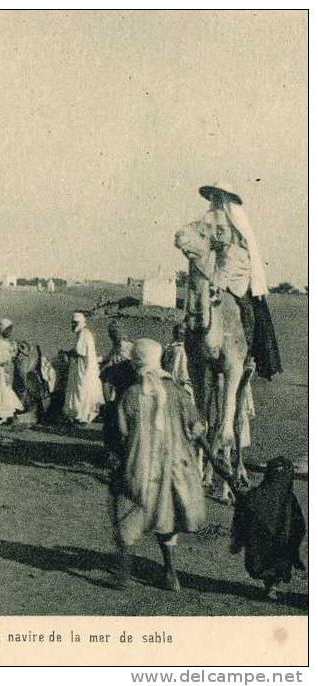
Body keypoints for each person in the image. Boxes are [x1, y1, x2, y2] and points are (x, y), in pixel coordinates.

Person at [111, 338, 207, 591]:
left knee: (124, 517)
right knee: (165, 519)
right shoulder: (176, 390)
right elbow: (196, 426)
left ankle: (123, 572)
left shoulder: (131, 394)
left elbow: (120, 433)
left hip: (139, 468)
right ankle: (170, 572)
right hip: (173, 470)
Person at [199, 184, 282, 379]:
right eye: (212, 196)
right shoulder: (209, 217)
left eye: (217, 196)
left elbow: (244, 252)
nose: (214, 199)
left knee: (246, 311)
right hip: (216, 271)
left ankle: (249, 355)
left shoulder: (236, 221)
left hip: (236, 276)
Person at [230, 456, 306, 600]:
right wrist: (295, 548)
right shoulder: (288, 499)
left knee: (269, 561)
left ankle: (270, 586)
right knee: (278, 561)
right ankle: (272, 586)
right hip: (278, 548)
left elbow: (244, 510)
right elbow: (299, 525)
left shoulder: (257, 496)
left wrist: (238, 541)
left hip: (262, 551)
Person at [64, 312, 104, 425]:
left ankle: (80, 416)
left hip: (84, 368)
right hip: (84, 367)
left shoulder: (83, 333)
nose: (72, 325)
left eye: (74, 323)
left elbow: (79, 351)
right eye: (72, 323)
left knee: (81, 391)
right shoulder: (84, 333)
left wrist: (68, 353)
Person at [0, 319, 24, 424]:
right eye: (8, 330)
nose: (9, 332)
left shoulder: (8, 343)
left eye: (11, 330)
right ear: (3, 330)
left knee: (5, 392)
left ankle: (5, 416)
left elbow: (10, 356)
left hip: (4, 371)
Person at [99, 320, 134, 403]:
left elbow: (117, 358)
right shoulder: (118, 343)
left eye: (112, 333)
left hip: (126, 367)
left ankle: (108, 404)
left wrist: (105, 366)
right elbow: (109, 356)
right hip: (122, 366)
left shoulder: (123, 344)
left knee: (104, 378)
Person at [162, 322, 193, 397]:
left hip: (182, 382)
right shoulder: (172, 347)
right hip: (172, 380)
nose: (182, 335)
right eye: (180, 333)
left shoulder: (183, 348)